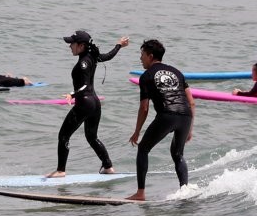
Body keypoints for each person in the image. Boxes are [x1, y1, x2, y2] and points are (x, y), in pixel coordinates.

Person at [44, 31, 129, 178]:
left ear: (81, 46)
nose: (70, 46)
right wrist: (119, 45)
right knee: (92, 137)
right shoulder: (92, 57)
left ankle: (60, 170)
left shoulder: (83, 63)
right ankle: (108, 166)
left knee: (63, 136)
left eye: (72, 43)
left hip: (84, 103)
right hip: (95, 103)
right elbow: (108, 56)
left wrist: (72, 94)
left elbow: (83, 86)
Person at [127, 39, 195, 201]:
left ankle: (140, 193)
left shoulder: (146, 76)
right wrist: (190, 129)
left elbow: (144, 108)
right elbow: (191, 101)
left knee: (143, 148)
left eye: (142, 55)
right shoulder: (177, 72)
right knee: (177, 154)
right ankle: (184, 191)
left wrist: (137, 132)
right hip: (185, 115)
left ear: (150, 56)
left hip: (167, 115)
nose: (140, 58)